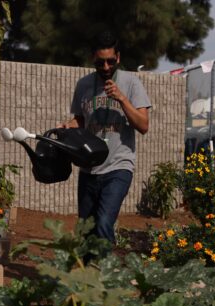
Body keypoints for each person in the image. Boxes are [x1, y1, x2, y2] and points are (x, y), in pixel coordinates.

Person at [61, 30, 151, 243]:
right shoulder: (83, 85)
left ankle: (107, 273)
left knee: (103, 223)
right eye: (100, 63)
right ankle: (91, 274)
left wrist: (122, 99)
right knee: (85, 230)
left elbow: (143, 125)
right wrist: (68, 125)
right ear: (93, 58)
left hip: (119, 167)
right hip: (89, 168)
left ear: (118, 57)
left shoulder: (131, 84)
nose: (106, 67)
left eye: (111, 61)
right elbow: (81, 120)